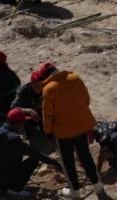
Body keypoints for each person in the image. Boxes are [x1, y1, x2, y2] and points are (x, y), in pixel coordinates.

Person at [41, 65, 102, 199]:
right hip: (82, 126)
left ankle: (75, 191)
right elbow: (86, 99)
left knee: (68, 162)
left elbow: (48, 115)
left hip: (63, 133)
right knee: (85, 155)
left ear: (46, 76)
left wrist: (48, 132)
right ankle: (97, 184)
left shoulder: (48, 90)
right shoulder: (76, 78)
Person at [0, 108, 63, 197]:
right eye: (23, 122)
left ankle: (9, 185)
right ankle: (14, 189)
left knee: (18, 155)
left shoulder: (1, 130)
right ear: (18, 123)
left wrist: (28, 111)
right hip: (1, 180)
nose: (23, 125)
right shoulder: (13, 138)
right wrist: (55, 163)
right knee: (33, 160)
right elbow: (35, 153)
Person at [11, 62, 58, 154]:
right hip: (28, 116)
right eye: (36, 85)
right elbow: (13, 108)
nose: (39, 88)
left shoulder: (48, 89)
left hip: (44, 115)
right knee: (28, 130)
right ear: (32, 83)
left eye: (41, 85)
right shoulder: (23, 91)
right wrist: (29, 110)